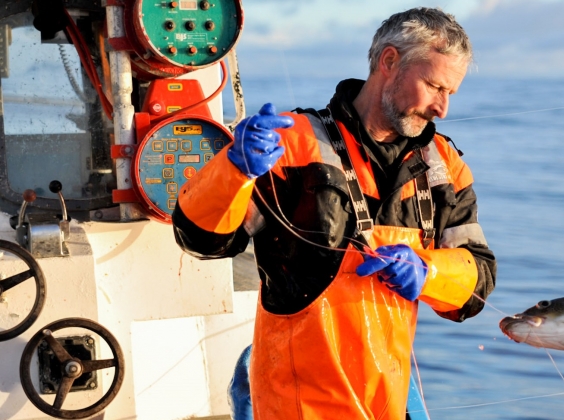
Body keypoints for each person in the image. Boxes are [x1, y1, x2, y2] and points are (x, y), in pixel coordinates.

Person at [172, 7, 496, 420]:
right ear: (389, 61)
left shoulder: (443, 165)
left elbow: (478, 283)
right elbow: (202, 241)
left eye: (450, 92)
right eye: (434, 86)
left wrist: (429, 271)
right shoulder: (289, 143)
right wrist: (233, 169)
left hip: (386, 407)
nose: (442, 108)